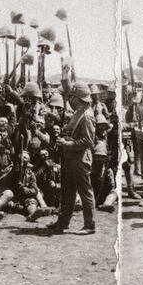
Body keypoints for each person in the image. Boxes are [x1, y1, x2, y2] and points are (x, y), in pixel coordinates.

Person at [50, 82, 96, 234]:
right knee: (67, 192)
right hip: (71, 157)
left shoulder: (87, 116)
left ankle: (89, 225)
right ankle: (63, 222)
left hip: (80, 159)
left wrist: (67, 143)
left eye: (73, 97)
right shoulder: (78, 112)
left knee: (85, 192)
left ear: (80, 98)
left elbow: (88, 141)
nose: (70, 100)